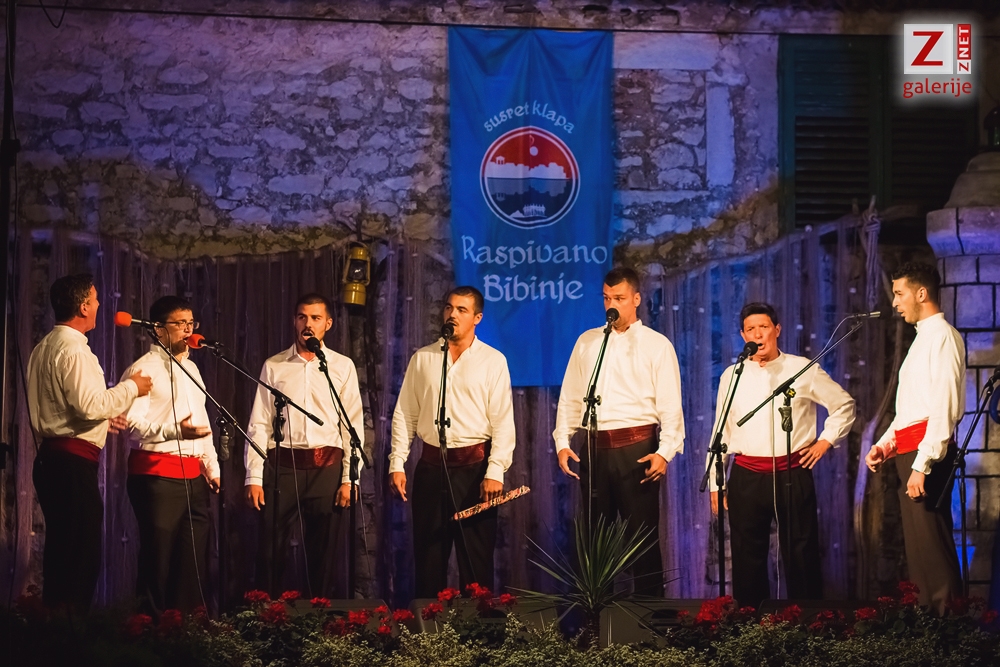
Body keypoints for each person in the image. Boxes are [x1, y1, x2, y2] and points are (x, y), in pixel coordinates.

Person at [708, 302, 855, 610]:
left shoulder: (802, 369)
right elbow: (721, 432)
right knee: (747, 557)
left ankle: (808, 622)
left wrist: (825, 441)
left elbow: (844, 405)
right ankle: (752, 623)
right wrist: (715, 483)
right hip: (747, 476)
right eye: (750, 329)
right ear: (742, 335)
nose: (757, 335)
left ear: (777, 330)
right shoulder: (732, 375)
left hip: (792, 473)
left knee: (801, 554)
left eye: (763, 327)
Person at [553, 267, 684, 597]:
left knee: (641, 539)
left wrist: (665, 451)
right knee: (595, 541)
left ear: (636, 299)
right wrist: (562, 440)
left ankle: (650, 616)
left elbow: (670, 405)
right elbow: (572, 394)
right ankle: (597, 617)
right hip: (595, 448)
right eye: (607, 298)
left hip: (637, 447)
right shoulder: (589, 341)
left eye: (620, 298)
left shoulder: (656, 345)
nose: (611, 305)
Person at [28, 273, 152, 612]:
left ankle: (56, 627)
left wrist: (99, 421)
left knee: (63, 552)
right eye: (95, 300)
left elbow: (64, 406)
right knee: (79, 557)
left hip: (53, 460)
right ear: (84, 306)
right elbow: (89, 404)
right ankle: (70, 632)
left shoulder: (43, 347)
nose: (98, 305)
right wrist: (132, 387)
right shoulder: (74, 349)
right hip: (71, 466)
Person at [389, 286, 516, 598]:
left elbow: (502, 421)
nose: (452, 315)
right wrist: (397, 462)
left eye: (461, 310)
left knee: (475, 562)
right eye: (449, 308)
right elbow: (405, 413)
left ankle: (476, 627)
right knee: (428, 559)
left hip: (474, 471)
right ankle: (429, 627)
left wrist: (495, 471)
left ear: (477, 318)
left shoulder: (492, 361)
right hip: (431, 468)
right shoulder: (424, 358)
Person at [245, 293, 363, 598]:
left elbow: (351, 425)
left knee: (323, 554)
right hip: (283, 467)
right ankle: (270, 613)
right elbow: (259, 422)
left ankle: (319, 615)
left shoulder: (342, 366)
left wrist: (350, 479)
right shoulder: (275, 365)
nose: (308, 324)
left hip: (327, 467)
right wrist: (254, 476)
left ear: (328, 324)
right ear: (294, 322)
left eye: (315, 318)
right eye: (302, 317)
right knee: (271, 550)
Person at [865, 262, 964, 615]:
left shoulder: (943, 337)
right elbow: (909, 410)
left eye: (899, 293)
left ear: (921, 293)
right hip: (912, 451)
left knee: (933, 546)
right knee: (920, 552)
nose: (895, 302)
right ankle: (930, 624)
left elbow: (943, 408)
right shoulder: (923, 338)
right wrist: (886, 444)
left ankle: (949, 627)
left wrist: (922, 465)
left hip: (927, 455)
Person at [121, 296, 220, 614]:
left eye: (191, 323)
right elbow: (131, 424)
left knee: (192, 564)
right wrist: (174, 431)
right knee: (158, 562)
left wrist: (211, 466)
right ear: (158, 329)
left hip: (193, 476)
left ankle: (185, 630)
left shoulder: (192, 368)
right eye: (180, 324)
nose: (188, 330)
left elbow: (201, 423)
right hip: (156, 475)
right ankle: (148, 631)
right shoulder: (143, 369)